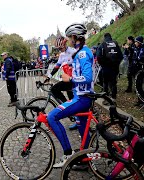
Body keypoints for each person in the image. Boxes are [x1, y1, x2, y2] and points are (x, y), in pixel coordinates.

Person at [48, 23, 94, 168]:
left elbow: (88, 77)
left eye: (70, 37)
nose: (69, 40)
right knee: (83, 129)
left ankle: (68, 154)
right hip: (80, 96)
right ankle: (85, 159)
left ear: (74, 37)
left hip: (82, 98)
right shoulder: (80, 52)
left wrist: (71, 79)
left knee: (52, 117)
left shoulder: (82, 53)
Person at [45, 35, 77, 130]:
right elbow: (56, 66)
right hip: (68, 78)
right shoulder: (62, 55)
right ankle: (70, 109)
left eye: (61, 48)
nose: (60, 50)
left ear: (65, 44)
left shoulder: (73, 51)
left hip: (74, 79)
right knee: (70, 98)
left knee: (56, 89)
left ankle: (69, 109)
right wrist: (49, 76)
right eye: (58, 48)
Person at [97, 33, 123, 105]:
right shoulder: (115, 44)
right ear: (110, 37)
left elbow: (98, 57)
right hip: (115, 68)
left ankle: (107, 99)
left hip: (105, 68)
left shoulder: (102, 44)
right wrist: (116, 63)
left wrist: (103, 64)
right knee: (113, 83)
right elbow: (121, 56)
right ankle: (114, 98)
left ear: (104, 37)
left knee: (105, 83)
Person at [133, 36, 144, 106]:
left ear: (139, 42)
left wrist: (137, 60)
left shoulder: (142, 49)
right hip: (137, 69)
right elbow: (135, 57)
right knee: (137, 85)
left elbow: (140, 58)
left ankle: (142, 100)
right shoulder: (136, 48)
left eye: (136, 42)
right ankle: (139, 100)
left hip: (141, 70)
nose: (135, 43)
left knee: (139, 85)